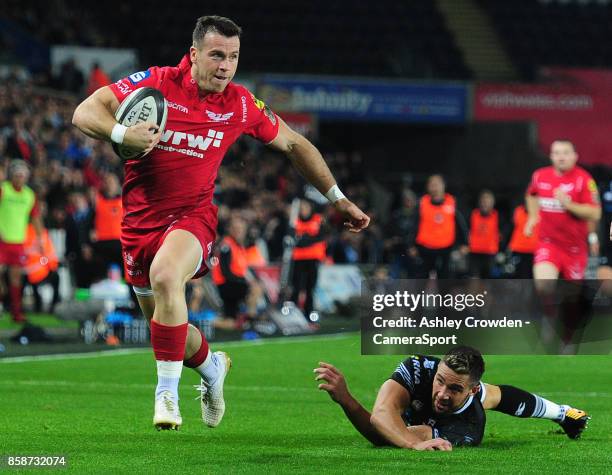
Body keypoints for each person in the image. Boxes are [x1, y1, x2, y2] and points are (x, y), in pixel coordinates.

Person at [72, 15, 369, 431]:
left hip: (193, 218)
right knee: (164, 322)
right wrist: (122, 134)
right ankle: (213, 367)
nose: (225, 66)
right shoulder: (156, 82)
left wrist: (338, 198)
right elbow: (85, 112)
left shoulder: (242, 104)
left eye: (232, 57)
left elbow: (295, 144)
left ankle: (166, 397)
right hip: (138, 225)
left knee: (166, 274)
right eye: (216, 55)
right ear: (194, 54)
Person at [314, 346, 589, 450]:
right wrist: (346, 398)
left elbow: (384, 435)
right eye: (440, 382)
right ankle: (563, 413)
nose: (442, 394)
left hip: (469, 404)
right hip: (466, 387)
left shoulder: (470, 426)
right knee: (498, 394)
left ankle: (563, 413)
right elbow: (383, 415)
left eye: (454, 389)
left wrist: (410, 442)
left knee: (493, 396)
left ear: (470, 390)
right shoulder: (421, 369)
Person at [525, 140, 601, 280]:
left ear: (575, 156)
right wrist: (533, 216)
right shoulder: (540, 176)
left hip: (575, 248)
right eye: (556, 153)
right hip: (548, 243)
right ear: (551, 156)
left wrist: (569, 205)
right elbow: (531, 195)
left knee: (571, 297)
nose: (561, 157)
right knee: (544, 286)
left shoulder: (584, 179)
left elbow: (595, 213)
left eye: (565, 153)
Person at [0, 160, 44, 323]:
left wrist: (40, 239)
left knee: (16, 279)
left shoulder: (29, 195)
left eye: (22, 175)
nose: (20, 178)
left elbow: (36, 217)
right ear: (12, 175)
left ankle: (16, 313)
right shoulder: (3, 190)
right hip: (2, 240)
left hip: (18, 242)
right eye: (17, 175)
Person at [411, 175, 468, 278]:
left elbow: (461, 224)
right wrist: (410, 245)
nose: (435, 187)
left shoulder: (452, 203)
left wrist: (465, 243)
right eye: (432, 184)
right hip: (424, 249)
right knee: (420, 281)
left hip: (446, 249)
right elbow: (414, 225)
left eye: (437, 184)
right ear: (428, 187)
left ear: (443, 186)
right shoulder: (421, 203)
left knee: (445, 282)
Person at [212, 216, 263, 328]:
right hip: (227, 285)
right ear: (230, 230)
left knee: (230, 322)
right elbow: (226, 272)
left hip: (232, 284)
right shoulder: (226, 246)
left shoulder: (237, 246)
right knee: (255, 289)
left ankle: (206, 325)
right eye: (236, 229)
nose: (239, 232)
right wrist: (245, 281)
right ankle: (251, 321)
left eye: (241, 229)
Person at [290, 199, 326, 322]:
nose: (303, 210)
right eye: (301, 207)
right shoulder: (294, 220)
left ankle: (309, 314)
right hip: (298, 259)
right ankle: (293, 314)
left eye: (305, 207)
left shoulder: (318, 219)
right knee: (296, 287)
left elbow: (321, 236)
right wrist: (308, 238)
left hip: (313, 260)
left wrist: (303, 239)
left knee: (310, 288)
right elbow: (292, 239)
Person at [468, 190, 500, 278]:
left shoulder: (498, 217)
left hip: (490, 254)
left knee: (488, 283)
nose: (485, 203)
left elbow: (504, 234)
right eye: (483, 201)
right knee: (473, 280)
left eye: (488, 201)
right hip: (474, 253)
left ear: (493, 203)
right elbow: (465, 230)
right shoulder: (473, 215)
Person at [506, 202, 539, 278]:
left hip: (534, 252)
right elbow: (511, 229)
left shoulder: (541, 213)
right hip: (518, 250)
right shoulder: (518, 211)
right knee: (516, 277)